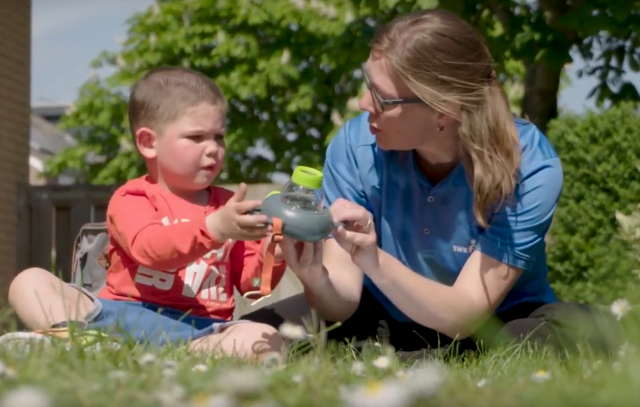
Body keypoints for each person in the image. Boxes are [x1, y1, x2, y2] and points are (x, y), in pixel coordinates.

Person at [241, 8, 620, 358]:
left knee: (573, 331)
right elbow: (342, 304)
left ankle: (407, 362)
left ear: (444, 109)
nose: (361, 103)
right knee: (243, 338)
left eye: (382, 98)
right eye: (366, 84)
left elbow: (465, 315)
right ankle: (416, 362)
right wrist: (316, 278)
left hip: (493, 321)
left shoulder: (529, 164)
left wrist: (375, 260)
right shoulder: (356, 145)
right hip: (381, 310)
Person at [6, 67, 288, 361]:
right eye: (196, 137)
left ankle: (180, 356)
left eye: (219, 136)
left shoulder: (228, 208)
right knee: (29, 281)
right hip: (117, 317)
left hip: (200, 329)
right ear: (148, 142)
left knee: (264, 339)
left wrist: (274, 254)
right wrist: (213, 228)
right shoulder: (132, 198)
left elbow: (253, 289)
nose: (213, 149)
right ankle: (78, 338)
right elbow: (150, 249)